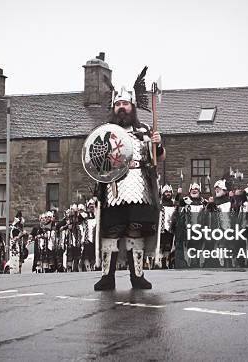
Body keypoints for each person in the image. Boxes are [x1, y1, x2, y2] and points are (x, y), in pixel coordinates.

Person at [92, 75, 165, 290]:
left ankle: (137, 276)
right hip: (112, 187)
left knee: (135, 230)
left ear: (132, 106)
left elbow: (157, 158)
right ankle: (107, 276)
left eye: (125, 104)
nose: (121, 108)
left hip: (139, 186)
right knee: (111, 230)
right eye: (118, 104)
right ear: (113, 108)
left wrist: (157, 144)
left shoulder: (143, 131)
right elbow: (95, 159)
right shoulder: (104, 131)